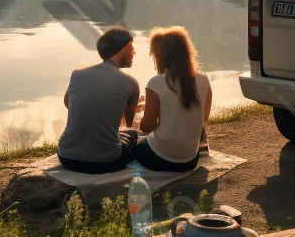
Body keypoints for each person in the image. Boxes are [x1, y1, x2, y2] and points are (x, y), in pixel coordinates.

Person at [57, 27, 142, 174]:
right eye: (132, 48)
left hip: (66, 156)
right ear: (124, 48)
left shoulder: (77, 74)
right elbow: (127, 124)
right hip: (106, 161)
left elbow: (68, 103)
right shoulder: (130, 83)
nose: (134, 53)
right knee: (133, 135)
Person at [136, 26, 211, 172]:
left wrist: (144, 115)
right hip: (190, 160)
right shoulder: (203, 79)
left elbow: (146, 127)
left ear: (160, 56)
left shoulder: (156, 82)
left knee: (133, 141)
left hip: (159, 158)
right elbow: (203, 118)